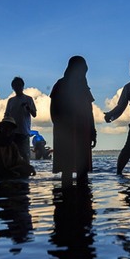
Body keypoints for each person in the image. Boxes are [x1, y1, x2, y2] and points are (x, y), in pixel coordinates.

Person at [50, 56, 96, 184]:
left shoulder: (84, 86)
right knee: (67, 169)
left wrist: (93, 132)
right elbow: (54, 110)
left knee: (83, 170)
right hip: (66, 132)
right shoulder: (60, 85)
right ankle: (67, 200)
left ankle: (83, 199)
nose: (82, 73)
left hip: (83, 131)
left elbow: (89, 110)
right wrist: (61, 129)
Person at [4, 76, 37, 162]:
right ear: (13, 87)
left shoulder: (28, 99)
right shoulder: (10, 101)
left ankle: (26, 173)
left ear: (22, 86)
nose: (17, 88)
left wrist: (28, 108)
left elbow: (34, 114)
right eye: (15, 86)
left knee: (25, 155)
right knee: (12, 156)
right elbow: (6, 115)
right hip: (12, 133)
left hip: (24, 132)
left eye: (19, 85)